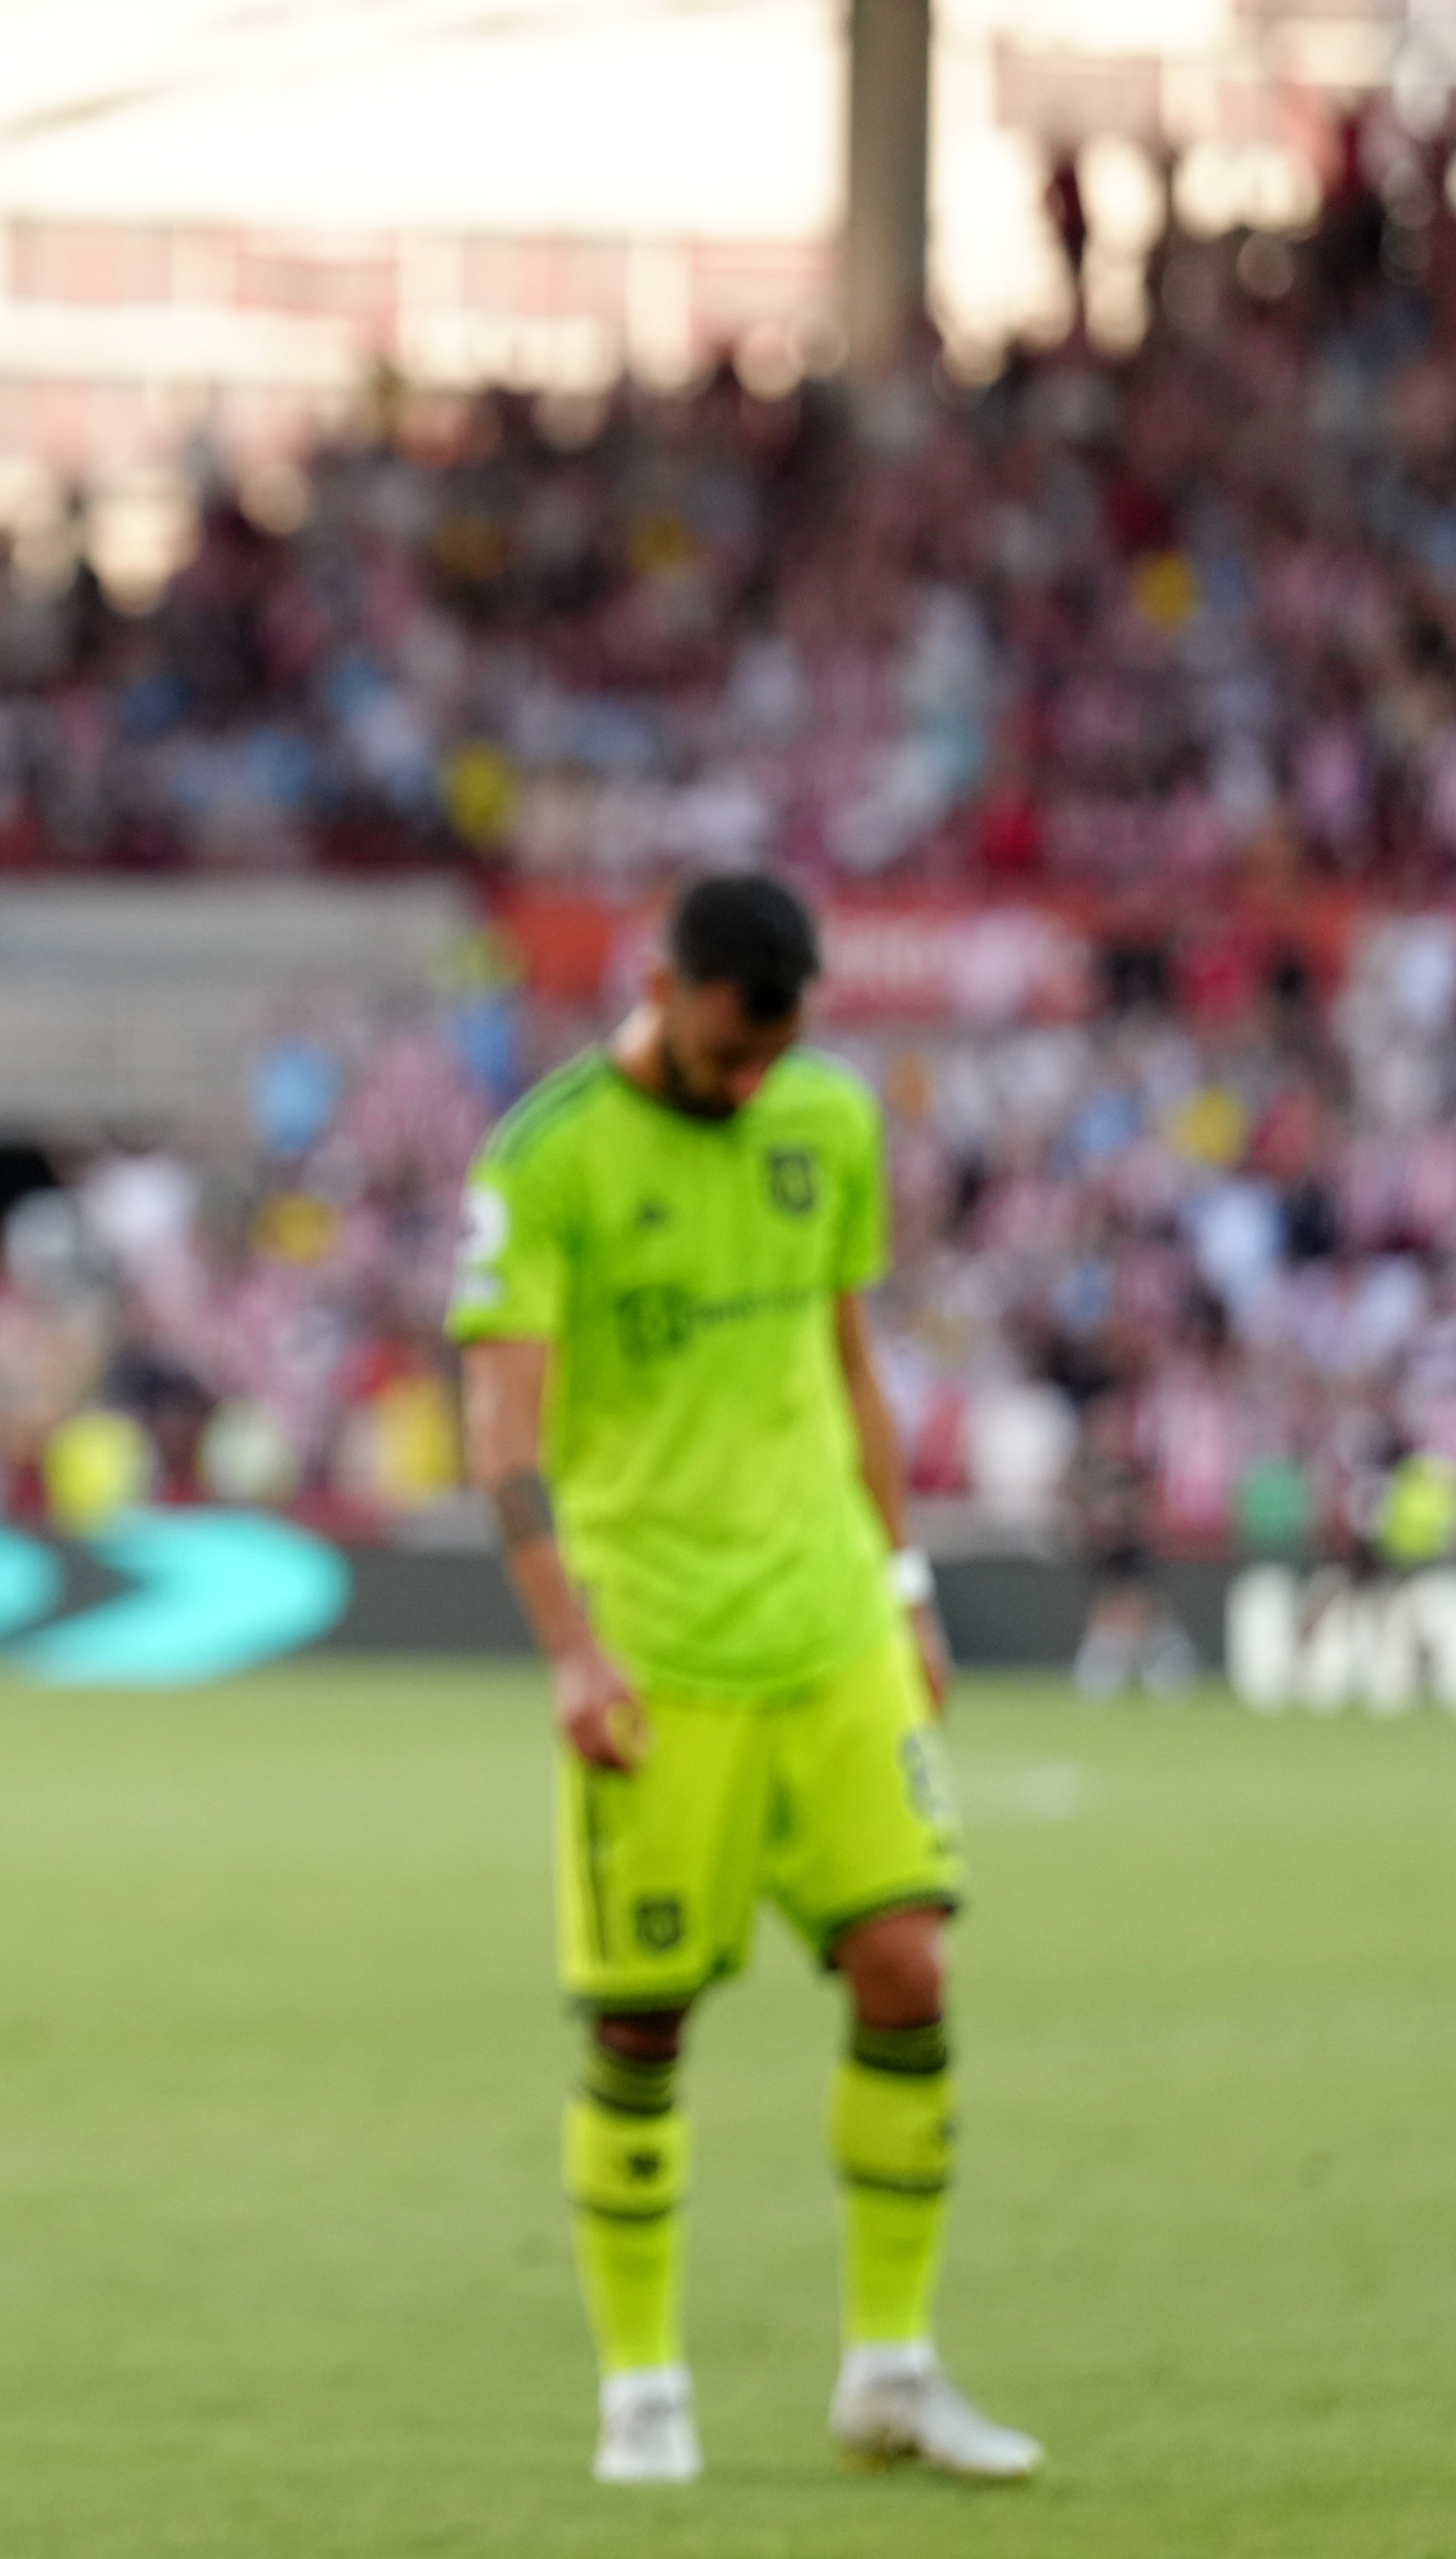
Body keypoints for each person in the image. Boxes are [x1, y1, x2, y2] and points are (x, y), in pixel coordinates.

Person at [451, 872, 1041, 2487]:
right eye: (724, 1051)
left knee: (909, 1964)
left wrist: (907, 1581)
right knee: (642, 2027)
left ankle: (892, 2369)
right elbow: (498, 1426)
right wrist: (570, 1644)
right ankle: (641, 2391)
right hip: (659, 1653)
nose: (744, 1082)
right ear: (662, 985)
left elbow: (851, 1360)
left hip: (833, 1622)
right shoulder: (546, 1154)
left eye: (771, 1052)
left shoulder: (826, 1121)